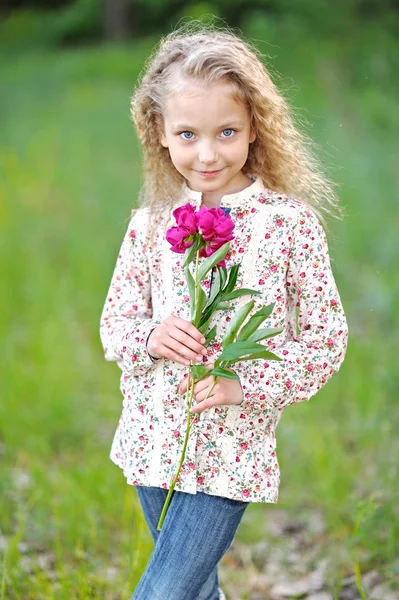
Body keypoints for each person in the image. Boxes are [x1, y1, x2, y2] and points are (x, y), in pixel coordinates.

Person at [99, 22, 348, 600]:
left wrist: (245, 382)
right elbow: (116, 326)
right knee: (194, 594)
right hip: (150, 442)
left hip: (229, 454)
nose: (207, 153)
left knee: (164, 594)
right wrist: (153, 336)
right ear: (158, 132)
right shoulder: (150, 223)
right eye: (187, 134)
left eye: (226, 132)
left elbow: (325, 341)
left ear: (255, 126)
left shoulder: (288, 225)